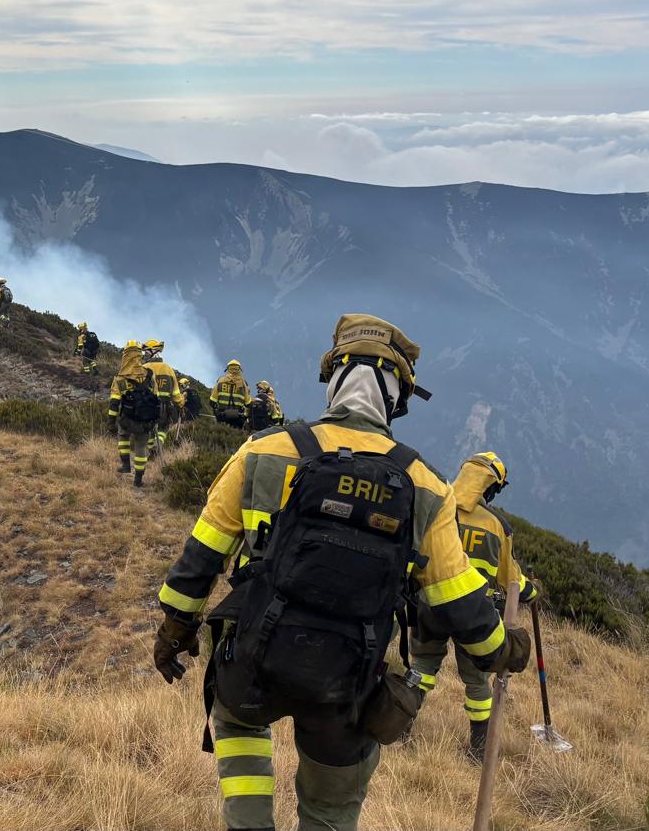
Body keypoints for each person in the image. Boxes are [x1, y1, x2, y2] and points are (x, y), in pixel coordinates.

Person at [153, 314, 531, 831]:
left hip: (251, 664)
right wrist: (502, 650)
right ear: (397, 398)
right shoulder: (426, 486)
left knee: (238, 730)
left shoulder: (262, 451)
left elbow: (198, 561)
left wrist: (175, 631)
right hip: (348, 683)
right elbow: (459, 602)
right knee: (330, 811)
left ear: (332, 379)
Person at [409, 451, 539, 761]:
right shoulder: (497, 526)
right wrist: (530, 591)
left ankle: (400, 728)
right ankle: (480, 750)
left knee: (423, 668)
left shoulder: (436, 506)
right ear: (490, 487)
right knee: (477, 681)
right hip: (473, 614)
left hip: (429, 605)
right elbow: (510, 579)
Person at [108, 341, 160, 487]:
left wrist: (111, 422)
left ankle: (125, 465)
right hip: (145, 421)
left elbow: (114, 403)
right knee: (141, 448)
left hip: (126, 419)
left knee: (123, 437)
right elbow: (156, 397)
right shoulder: (149, 375)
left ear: (125, 355)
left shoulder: (120, 379)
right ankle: (138, 480)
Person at [141, 339, 184, 455]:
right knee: (163, 428)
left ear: (153, 351)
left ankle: (151, 450)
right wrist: (180, 405)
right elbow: (176, 393)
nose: (145, 354)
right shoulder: (168, 369)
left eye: (146, 352)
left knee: (149, 429)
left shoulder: (143, 368)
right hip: (165, 407)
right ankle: (158, 443)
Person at [212, 360, 251, 429]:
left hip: (222, 415)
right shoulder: (244, 384)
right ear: (239, 369)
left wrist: (216, 413)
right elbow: (248, 403)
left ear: (228, 369)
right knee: (237, 436)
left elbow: (212, 401)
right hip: (238, 417)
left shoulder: (220, 381)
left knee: (221, 434)